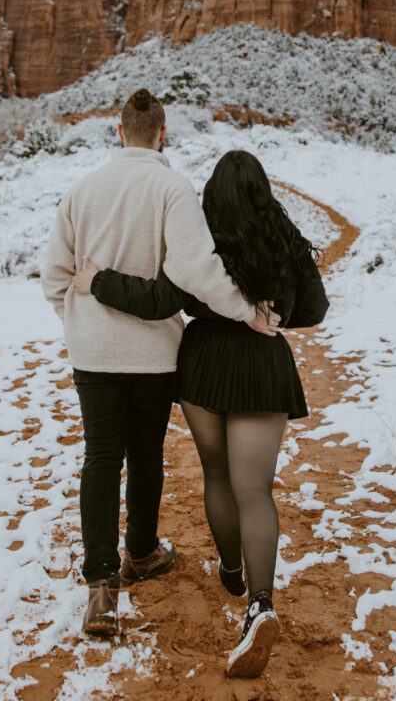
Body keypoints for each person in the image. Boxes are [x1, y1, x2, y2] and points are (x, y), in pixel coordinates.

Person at [72, 149, 329, 678]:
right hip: (262, 366)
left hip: (205, 364)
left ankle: (231, 568)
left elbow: (160, 299)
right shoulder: (283, 236)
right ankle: (260, 602)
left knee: (217, 474)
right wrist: (276, 315)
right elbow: (316, 308)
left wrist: (98, 281)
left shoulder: (201, 240)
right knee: (255, 489)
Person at [40, 90, 279, 639]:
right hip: (153, 355)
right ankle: (143, 552)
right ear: (162, 134)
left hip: (92, 354)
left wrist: (81, 323)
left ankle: (102, 588)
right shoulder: (172, 189)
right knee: (145, 455)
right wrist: (245, 311)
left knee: (100, 457)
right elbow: (198, 270)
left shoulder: (80, 191)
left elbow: (54, 277)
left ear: (118, 132)